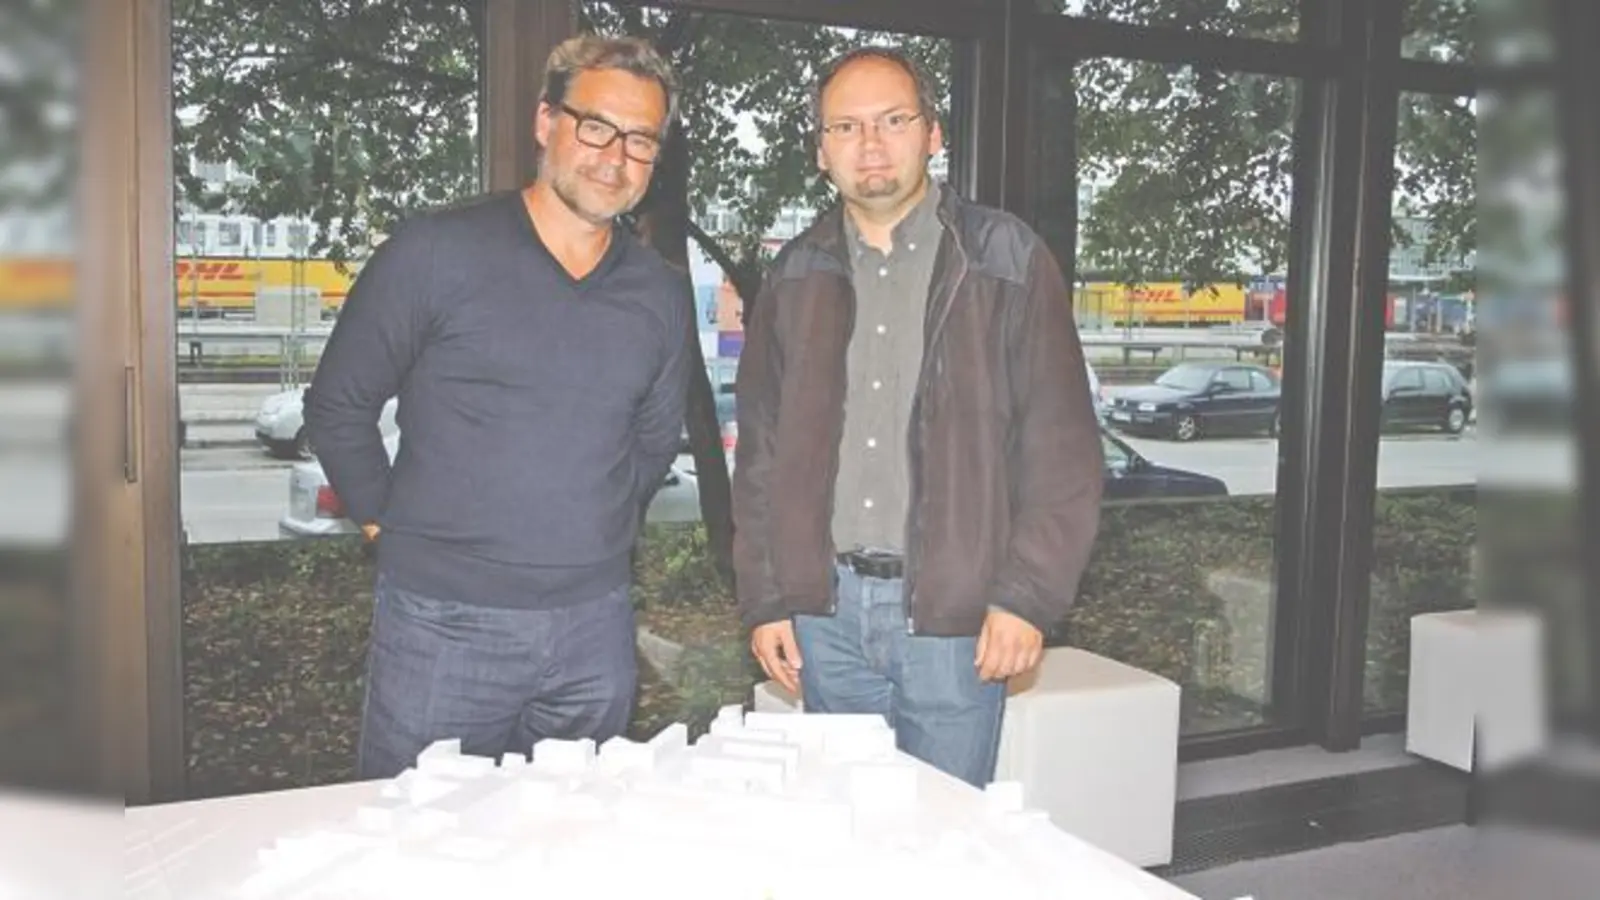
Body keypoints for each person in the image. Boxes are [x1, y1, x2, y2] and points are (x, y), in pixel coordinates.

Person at [306, 35, 690, 779]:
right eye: (596, 126)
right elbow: (339, 405)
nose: (615, 157)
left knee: (566, 849)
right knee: (413, 847)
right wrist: (390, 522)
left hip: (596, 627)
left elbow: (650, 445)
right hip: (441, 625)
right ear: (547, 122)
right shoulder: (434, 252)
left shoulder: (661, 292)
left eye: (640, 140)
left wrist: (591, 541)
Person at [732, 47, 1103, 788]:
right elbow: (761, 454)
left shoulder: (1005, 258)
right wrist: (766, 598)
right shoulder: (795, 272)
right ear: (821, 151)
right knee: (845, 832)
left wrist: (1026, 597)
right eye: (846, 126)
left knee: (945, 842)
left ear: (933, 134)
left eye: (893, 120)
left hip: (955, 621)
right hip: (824, 619)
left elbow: (1060, 448)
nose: (870, 144)